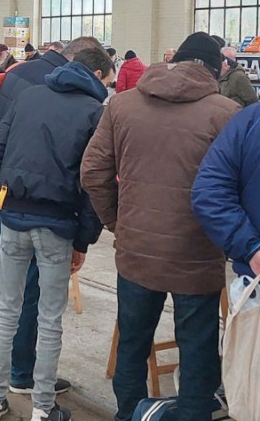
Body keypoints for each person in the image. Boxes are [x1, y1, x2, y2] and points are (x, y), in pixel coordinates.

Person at [80, 32, 240, 421]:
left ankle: (128, 414)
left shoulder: (121, 105)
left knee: (133, 343)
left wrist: (117, 221)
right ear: (217, 68)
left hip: (136, 251)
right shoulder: (226, 113)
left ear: (176, 60)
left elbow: (92, 171)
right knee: (198, 347)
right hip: (197, 253)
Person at [0, 48, 114, 421]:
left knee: (7, 310)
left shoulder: (28, 96)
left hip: (13, 218)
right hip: (57, 224)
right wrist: (84, 240)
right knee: (49, 318)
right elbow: (93, 182)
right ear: (97, 76)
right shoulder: (93, 111)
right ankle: (42, 408)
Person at [192, 103, 260, 278]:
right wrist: (250, 247)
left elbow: (209, 191)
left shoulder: (248, 119)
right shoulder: (249, 120)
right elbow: (210, 190)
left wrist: (250, 248)